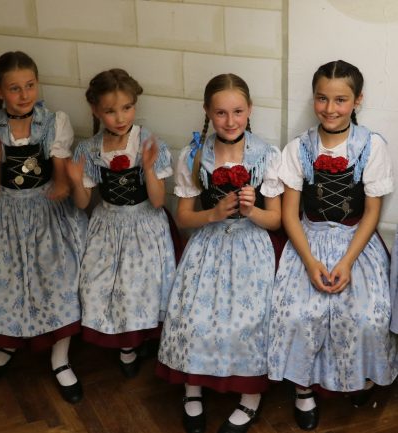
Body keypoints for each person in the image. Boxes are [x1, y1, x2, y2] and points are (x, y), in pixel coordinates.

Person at [268, 59, 398, 431]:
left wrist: (347, 262)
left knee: (368, 316)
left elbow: (372, 212)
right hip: (307, 240)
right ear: (314, 98)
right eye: (322, 98)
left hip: (356, 243)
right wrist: (310, 263)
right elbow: (290, 214)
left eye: (340, 100)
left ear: (357, 100)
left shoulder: (371, 146)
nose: (330, 108)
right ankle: (303, 388)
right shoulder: (298, 148)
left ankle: (360, 377)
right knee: (298, 313)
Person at [157, 73, 283, 433]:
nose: (230, 121)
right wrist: (212, 214)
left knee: (248, 321)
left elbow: (275, 219)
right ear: (207, 112)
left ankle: (250, 395)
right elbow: (184, 217)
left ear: (250, 110)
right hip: (208, 245)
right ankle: (192, 387)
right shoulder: (194, 154)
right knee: (194, 315)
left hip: (251, 246)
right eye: (221, 113)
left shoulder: (266, 155)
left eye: (238, 111)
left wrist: (251, 210)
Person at [0, 51, 87, 404]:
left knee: (58, 279)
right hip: (6, 213)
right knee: (7, 280)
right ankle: (9, 341)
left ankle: (60, 357)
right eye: (14, 88)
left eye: (30, 85)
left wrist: (63, 187)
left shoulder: (54, 121)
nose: (24, 95)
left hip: (47, 210)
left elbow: (61, 180)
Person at [67, 68, 176, 378]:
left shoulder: (149, 143)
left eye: (127, 107)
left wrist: (149, 169)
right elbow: (83, 203)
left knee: (138, 286)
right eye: (110, 111)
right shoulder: (89, 149)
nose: (120, 117)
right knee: (100, 285)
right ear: (95, 110)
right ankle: (123, 342)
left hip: (144, 224)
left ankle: (137, 343)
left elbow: (158, 201)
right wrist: (75, 181)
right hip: (108, 225)